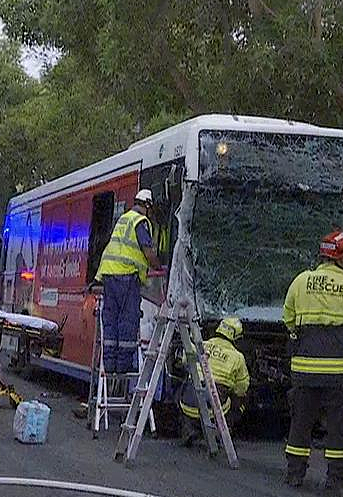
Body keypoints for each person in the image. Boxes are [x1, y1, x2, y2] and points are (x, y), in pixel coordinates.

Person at [282, 230, 343, 490]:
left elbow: (288, 319)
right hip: (337, 372)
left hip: (304, 370)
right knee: (337, 428)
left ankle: (295, 473)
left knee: (300, 424)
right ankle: (336, 476)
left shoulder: (300, 281)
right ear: (342, 258)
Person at [94, 189, 161, 374]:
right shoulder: (140, 221)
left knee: (111, 320)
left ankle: (109, 364)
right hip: (126, 276)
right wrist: (158, 267)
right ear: (147, 205)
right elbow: (148, 251)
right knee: (127, 320)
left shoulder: (123, 219)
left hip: (109, 274)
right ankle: (123, 366)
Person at [178, 317, 250, 447]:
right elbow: (242, 388)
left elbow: (185, 361)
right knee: (239, 399)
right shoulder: (238, 357)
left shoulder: (202, 344)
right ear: (237, 337)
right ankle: (220, 433)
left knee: (185, 384)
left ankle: (188, 430)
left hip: (189, 400)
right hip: (215, 403)